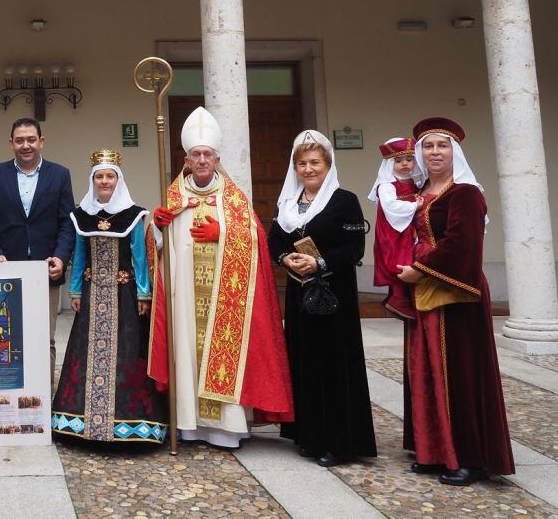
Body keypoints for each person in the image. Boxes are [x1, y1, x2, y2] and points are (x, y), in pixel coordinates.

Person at [148, 107, 293, 449]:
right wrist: (157, 227)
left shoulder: (233, 199)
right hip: (185, 298)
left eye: (207, 155)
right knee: (187, 352)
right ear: (186, 159)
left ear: (216, 158)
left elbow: (256, 239)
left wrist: (223, 232)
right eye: (195, 155)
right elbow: (159, 250)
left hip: (224, 300)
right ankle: (189, 425)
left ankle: (226, 427)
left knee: (223, 353)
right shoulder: (173, 196)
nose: (201, 160)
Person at [396, 117, 514, 486]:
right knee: (426, 368)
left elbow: (463, 244)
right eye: (428, 146)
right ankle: (433, 450)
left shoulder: (465, 193)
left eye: (442, 146)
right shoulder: (417, 191)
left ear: (454, 152)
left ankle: (469, 457)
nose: (434, 152)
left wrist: (419, 268)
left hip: (455, 291)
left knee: (457, 373)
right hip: (423, 288)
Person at [269, 130, 377, 467]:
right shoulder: (288, 204)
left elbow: (354, 248)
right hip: (301, 294)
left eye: (315, 162)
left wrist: (320, 262)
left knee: (334, 363)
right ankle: (308, 434)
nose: (308, 169)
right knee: (305, 360)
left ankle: (337, 441)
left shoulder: (344, 200)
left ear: (328, 164)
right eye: (302, 163)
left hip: (334, 294)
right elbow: (275, 240)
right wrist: (285, 259)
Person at [51, 150, 167, 444]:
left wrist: (144, 293)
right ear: (93, 180)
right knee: (85, 354)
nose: (105, 181)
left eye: (110, 176)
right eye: (99, 176)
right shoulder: (81, 215)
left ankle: (130, 426)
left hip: (124, 298)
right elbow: (79, 256)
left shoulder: (134, 214)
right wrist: (75, 290)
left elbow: (139, 257)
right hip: (90, 297)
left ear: (118, 180)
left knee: (127, 354)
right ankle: (81, 424)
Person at [0, 117, 75, 382]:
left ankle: (44, 402)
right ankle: (12, 402)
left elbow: (67, 223)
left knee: (44, 339)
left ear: (41, 141)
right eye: (20, 140)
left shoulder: (60, 174)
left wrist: (61, 258)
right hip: (7, 270)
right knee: (4, 337)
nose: (26, 145)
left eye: (31, 139)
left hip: (46, 271)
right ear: (11, 143)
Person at [369, 137, 422, 321]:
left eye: (409, 159)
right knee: (399, 261)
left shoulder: (413, 182)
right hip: (393, 231)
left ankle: (403, 298)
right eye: (398, 161)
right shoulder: (386, 185)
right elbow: (390, 206)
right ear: (389, 163)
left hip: (405, 230)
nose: (405, 164)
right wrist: (415, 204)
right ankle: (397, 299)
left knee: (408, 260)